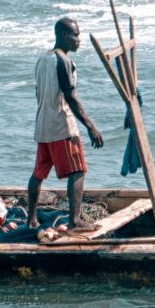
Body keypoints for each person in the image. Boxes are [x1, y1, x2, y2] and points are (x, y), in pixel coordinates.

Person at [26, 16, 105, 232]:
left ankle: (31, 219)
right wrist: (91, 127)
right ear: (63, 36)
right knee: (78, 171)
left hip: (42, 125)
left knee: (39, 173)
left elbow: (38, 92)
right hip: (62, 125)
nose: (79, 40)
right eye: (75, 35)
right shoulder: (63, 61)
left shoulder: (43, 59)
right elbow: (71, 97)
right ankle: (75, 222)